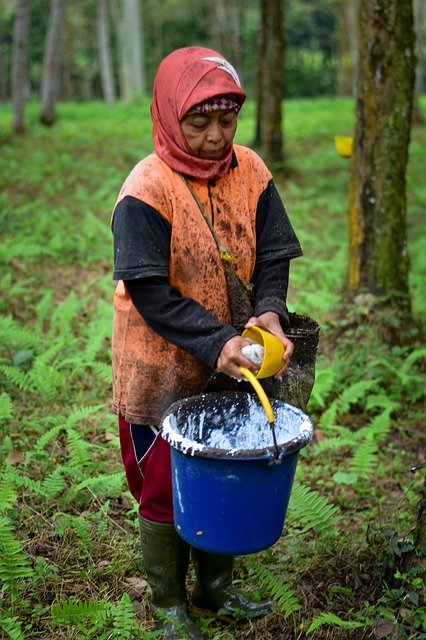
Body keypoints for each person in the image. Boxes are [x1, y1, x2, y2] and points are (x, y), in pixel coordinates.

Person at [111, 46, 302, 640]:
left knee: (227, 473)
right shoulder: (146, 189)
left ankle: (216, 588)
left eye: (227, 120)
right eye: (199, 122)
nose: (216, 136)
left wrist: (268, 312)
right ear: (169, 115)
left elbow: (273, 254)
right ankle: (168, 603)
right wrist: (214, 339)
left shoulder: (252, 171)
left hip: (231, 362)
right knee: (167, 487)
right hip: (160, 366)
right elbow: (149, 292)